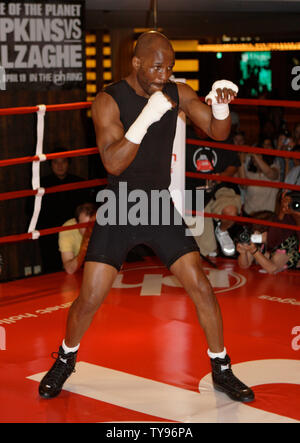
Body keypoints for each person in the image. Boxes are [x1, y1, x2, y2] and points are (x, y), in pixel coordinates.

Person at [39, 31, 254, 403]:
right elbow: (113, 161)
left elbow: (218, 132)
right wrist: (147, 116)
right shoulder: (108, 99)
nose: (163, 73)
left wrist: (220, 105)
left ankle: (221, 368)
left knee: (201, 286)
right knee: (89, 298)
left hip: (157, 204)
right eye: (157, 65)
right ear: (136, 63)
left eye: (170, 66)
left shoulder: (176, 91)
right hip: (120, 204)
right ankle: (65, 358)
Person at [185, 125, 242, 257]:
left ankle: (221, 230)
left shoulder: (221, 133)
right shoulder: (183, 133)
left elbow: (234, 164)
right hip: (193, 192)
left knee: (230, 212)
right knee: (205, 251)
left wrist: (220, 177)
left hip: (219, 187)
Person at [36, 150, 89, 273]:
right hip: (50, 232)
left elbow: (87, 210)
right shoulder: (41, 185)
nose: (60, 166)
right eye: (56, 162)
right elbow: (32, 210)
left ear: (68, 163)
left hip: (75, 230)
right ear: (51, 164)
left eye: (63, 161)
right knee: (51, 267)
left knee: (82, 266)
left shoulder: (79, 182)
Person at [237, 201, 300, 273]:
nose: (256, 235)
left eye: (259, 232)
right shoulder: (257, 241)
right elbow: (244, 265)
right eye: (254, 231)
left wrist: (254, 251)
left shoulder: (285, 242)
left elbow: (273, 269)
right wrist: (243, 253)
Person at [239, 137, 280, 216]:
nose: (254, 159)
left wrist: (253, 153)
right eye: (252, 157)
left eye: (258, 155)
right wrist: (241, 159)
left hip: (267, 217)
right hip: (250, 215)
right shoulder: (249, 174)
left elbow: (269, 173)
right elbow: (243, 185)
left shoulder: (275, 168)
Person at [58, 203, 97, 275]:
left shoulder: (104, 226)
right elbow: (69, 269)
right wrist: (85, 245)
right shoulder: (67, 229)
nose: (89, 230)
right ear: (76, 224)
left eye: (92, 225)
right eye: (85, 225)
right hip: (77, 270)